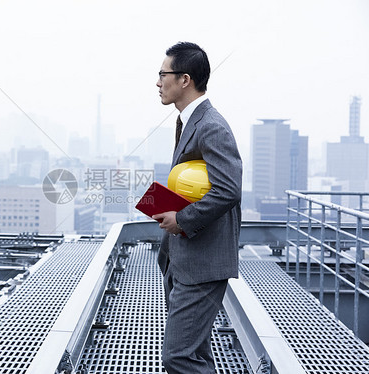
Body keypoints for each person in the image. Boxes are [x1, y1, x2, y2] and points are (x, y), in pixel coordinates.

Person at [151, 42, 242, 374]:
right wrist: (163, 203)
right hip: (183, 257)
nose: (158, 82)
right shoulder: (189, 120)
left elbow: (228, 190)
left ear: (184, 79)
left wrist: (183, 219)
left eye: (163, 74)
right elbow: (197, 181)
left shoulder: (211, 125)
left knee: (180, 357)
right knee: (194, 354)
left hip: (202, 263)